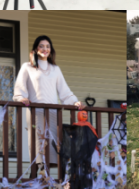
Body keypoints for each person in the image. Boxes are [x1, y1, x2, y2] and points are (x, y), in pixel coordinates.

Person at [13, 35, 85, 174]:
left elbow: (64, 91)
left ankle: (52, 179)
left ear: (51, 50)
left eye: (47, 46)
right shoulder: (27, 67)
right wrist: (22, 98)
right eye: (41, 46)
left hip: (53, 113)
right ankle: (39, 174)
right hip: (36, 112)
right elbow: (20, 88)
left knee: (54, 147)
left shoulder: (55, 69)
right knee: (39, 144)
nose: (45, 49)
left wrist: (74, 101)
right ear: (35, 49)